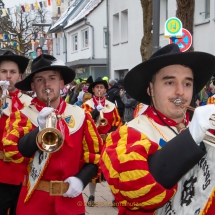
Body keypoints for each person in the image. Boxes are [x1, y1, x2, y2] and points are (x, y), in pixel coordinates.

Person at [100, 44, 215, 215]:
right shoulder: (129, 135)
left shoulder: (203, 127)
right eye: (170, 82)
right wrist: (191, 138)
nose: (180, 92)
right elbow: (136, 192)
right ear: (150, 89)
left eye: (187, 83)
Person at [2, 54, 103, 215]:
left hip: (70, 201)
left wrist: (81, 180)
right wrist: (39, 130)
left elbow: (96, 156)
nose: (47, 84)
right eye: (40, 80)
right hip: (33, 203)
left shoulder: (81, 115)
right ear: (33, 86)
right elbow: (14, 152)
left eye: (52, 78)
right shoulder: (23, 115)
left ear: (62, 83)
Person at [81, 77, 122, 206]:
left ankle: (114, 197)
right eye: (97, 87)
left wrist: (112, 132)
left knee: (111, 169)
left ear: (105, 90)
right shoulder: (87, 105)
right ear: (93, 89)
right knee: (93, 168)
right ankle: (92, 196)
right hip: (93, 141)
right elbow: (84, 121)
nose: (99, 90)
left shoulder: (111, 106)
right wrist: (95, 112)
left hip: (108, 140)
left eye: (102, 88)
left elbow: (117, 122)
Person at [0, 51, 31, 215]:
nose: (8, 76)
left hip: (23, 173)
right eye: (4, 71)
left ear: (20, 76)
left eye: (12, 72)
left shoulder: (30, 103)